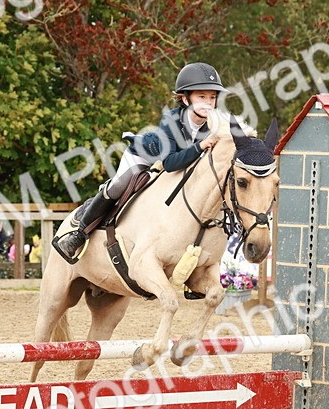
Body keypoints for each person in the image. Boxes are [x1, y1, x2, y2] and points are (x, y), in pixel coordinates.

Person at [52, 62, 227, 262]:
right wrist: (200, 146)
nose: (208, 103)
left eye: (212, 97)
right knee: (119, 185)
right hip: (143, 157)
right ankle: (79, 233)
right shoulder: (171, 120)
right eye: (201, 97)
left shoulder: (215, 124)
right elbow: (169, 163)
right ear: (185, 99)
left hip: (177, 165)